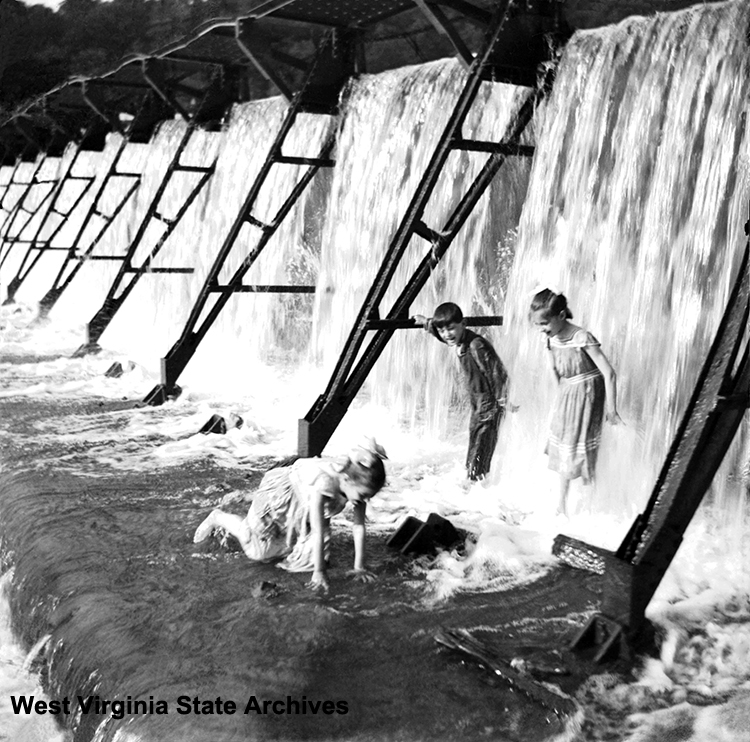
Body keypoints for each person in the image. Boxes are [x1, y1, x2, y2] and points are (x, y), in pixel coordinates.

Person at [193, 442, 387, 592]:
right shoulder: (325, 483)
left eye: (369, 496)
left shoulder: (356, 486)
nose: (365, 501)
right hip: (279, 497)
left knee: (297, 553)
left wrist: (359, 566)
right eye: (363, 496)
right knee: (257, 549)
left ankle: (288, 538)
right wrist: (319, 573)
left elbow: (359, 526)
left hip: (305, 504)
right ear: (345, 480)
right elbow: (319, 532)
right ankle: (217, 517)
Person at [529, 288, 621, 516]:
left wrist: (612, 409)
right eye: (538, 325)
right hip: (568, 395)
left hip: (587, 395)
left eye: (544, 323)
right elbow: (553, 369)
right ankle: (562, 505)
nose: (542, 329)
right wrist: (558, 398)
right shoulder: (551, 339)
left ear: (561, 316)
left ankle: (592, 504)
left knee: (582, 449)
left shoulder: (581, 338)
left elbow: (609, 373)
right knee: (565, 448)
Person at [412, 302, 509, 482]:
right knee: (475, 444)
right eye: (442, 331)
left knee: (481, 445)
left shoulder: (476, 345)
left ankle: (475, 484)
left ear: (463, 323)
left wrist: (503, 399)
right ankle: (475, 481)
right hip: (478, 404)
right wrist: (426, 323)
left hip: (488, 406)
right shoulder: (458, 340)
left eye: (451, 328)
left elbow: (497, 372)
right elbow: (442, 335)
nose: (447, 334)